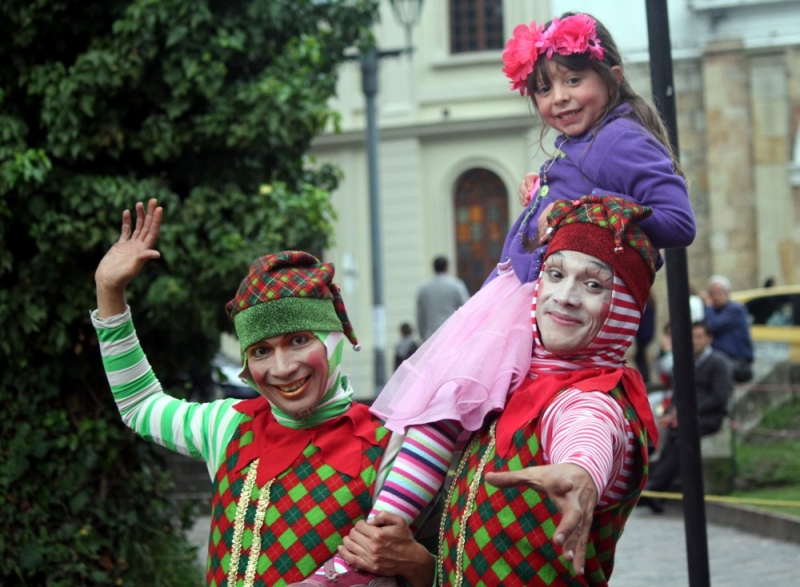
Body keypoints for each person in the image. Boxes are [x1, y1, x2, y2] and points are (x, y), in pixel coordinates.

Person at [91, 199, 428, 587]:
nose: (282, 369)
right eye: (261, 351)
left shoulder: (391, 447)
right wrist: (109, 293)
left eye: (299, 340)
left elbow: (449, 571)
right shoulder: (226, 425)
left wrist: (417, 564)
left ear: (333, 340)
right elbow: (140, 405)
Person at [341, 195, 662, 586]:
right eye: (556, 274)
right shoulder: (506, 383)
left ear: (625, 308)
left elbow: (589, 429)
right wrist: (418, 565)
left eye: (594, 284)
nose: (565, 297)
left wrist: (580, 472)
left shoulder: (593, 400)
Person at [639, 321, 733, 514]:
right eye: (692, 337)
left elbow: (719, 398)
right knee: (668, 434)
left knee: (681, 435)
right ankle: (655, 490)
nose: (695, 341)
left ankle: (656, 490)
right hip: (684, 416)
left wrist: (686, 413)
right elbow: (677, 393)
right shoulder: (684, 361)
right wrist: (672, 412)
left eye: (699, 337)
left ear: (709, 338)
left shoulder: (719, 363)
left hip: (708, 417)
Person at [703, 274, 754, 383]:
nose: (716, 297)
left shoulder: (736, 310)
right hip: (722, 361)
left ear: (727, 293)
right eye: (712, 294)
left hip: (738, 362)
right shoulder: (712, 311)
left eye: (719, 293)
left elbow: (711, 325)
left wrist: (708, 306)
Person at [416, 256, 470, 341]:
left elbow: (421, 316)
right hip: (452, 333)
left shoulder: (424, 289)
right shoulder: (456, 285)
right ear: (447, 268)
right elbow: (466, 308)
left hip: (431, 335)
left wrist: (423, 335)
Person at [634, 292, 656, 385]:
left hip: (643, 334)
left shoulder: (644, 306)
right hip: (647, 334)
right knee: (641, 357)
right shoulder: (650, 304)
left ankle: (646, 380)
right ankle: (646, 379)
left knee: (641, 358)